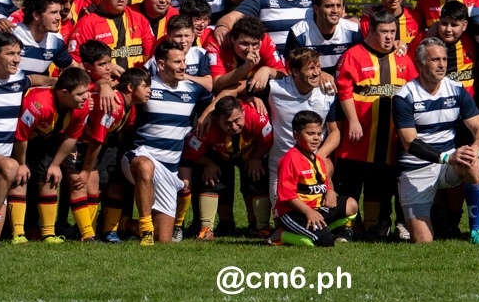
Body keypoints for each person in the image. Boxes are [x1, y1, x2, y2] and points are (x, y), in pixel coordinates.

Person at [393, 37, 479, 245]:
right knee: (423, 241)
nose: (442, 64)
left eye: (444, 59)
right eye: (435, 59)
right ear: (419, 64)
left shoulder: (456, 89)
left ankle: (476, 231)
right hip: (416, 170)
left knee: (473, 161)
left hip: (447, 166)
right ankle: (408, 220)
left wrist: (476, 148)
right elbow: (410, 143)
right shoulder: (404, 96)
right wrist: (448, 157)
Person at [334, 10, 418, 241]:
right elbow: (344, 90)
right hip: (358, 135)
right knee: (349, 185)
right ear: (370, 31)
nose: (389, 37)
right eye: (384, 32)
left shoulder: (402, 59)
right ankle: (347, 227)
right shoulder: (353, 55)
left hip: (389, 137)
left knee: (378, 185)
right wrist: (352, 120)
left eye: (393, 32)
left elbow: (413, 92)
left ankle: (373, 228)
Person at [0, 33, 54, 246]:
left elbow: (38, 80)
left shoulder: (19, 78)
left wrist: (61, 82)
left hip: (5, 167)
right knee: (10, 164)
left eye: (18, 54)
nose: (17, 59)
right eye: (10, 53)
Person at [123, 41, 213, 245]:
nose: (183, 66)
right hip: (138, 158)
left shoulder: (192, 89)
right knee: (146, 165)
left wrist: (208, 111)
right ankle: (145, 228)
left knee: (164, 241)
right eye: (177, 62)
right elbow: (120, 91)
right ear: (161, 65)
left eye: (184, 61)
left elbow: (220, 93)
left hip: (170, 170)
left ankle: (125, 224)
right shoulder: (147, 86)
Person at [9, 68, 92, 243]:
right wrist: (21, 164)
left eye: (87, 91)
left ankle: (48, 233)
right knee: (20, 178)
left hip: (43, 140)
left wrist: (55, 165)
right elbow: (20, 136)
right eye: (80, 94)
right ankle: (17, 234)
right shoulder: (39, 105)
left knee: (50, 177)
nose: (86, 98)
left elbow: (72, 136)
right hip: (17, 141)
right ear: (63, 93)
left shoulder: (81, 107)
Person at [76, 53, 150, 243]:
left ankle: (109, 230)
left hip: (104, 146)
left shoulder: (130, 109)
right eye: (145, 86)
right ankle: (87, 232)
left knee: (115, 184)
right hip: (80, 143)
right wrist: (86, 169)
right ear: (131, 87)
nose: (149, 91)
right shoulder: (114, 106)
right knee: (92, 185)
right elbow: (96, 140)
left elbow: (123, 131)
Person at [181, 96, 272, 241]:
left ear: (242, 111)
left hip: (251, 154)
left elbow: (268, 140)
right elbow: (190, 151)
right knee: (210, 179)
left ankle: (260, 227)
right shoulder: (207, 127)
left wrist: (256, 158)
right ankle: (206, 229)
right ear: (217, 120)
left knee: (257, 177)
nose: (234, 127)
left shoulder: (256, 116)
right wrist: (208, 164)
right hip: (217, 157)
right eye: (227, 123)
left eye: (237, 120)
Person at [273, 111, 358, 247]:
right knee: (324, 242)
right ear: (296, 135)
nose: (316, 138)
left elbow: (324, 182)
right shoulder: (290, 159)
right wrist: (309, 212)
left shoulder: (317, 158)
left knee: (351, 205)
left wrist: (330, 191)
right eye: (310, 134)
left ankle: (322, 229)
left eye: (319, 134)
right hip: (293, 213)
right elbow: (287, 196)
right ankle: (282, 235)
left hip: (316, 208)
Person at [68, 0, 155, 76]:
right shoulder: (86, 24)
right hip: (103, 89)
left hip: (139, 87)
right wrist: (103, 76)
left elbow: (151, 57)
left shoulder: (140, 19)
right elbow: (74, 66)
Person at [285, 0, 362, 80]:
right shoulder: (298, 33)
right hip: (310, 88)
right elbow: (291, 72)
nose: (335, 11)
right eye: (329, 6)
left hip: (344, 87)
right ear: (316, 9)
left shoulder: (353, 30)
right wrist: (319, 75)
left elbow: (361, 64)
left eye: (338, 6)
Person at [207, 16, 286, 96]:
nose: (250, 50)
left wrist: (267, 71)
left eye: (255, 44)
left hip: (251, 94)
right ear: (233, 38)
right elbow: (217, 86)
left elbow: (284, 76)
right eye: (245, 43)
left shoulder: (265, 41)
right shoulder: (217, 43)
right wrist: (246, 66)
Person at [12, 0, 74, 77]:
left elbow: (74, 71)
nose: (59, 17)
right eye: (53, 13)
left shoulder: (56, 40)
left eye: (59, 12)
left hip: (37, 90)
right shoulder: (11, 35)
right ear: (36, 15)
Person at [145, 15, 213, 92]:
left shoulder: (200, 54)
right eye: (178, 36)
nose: (183, 40)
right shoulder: (156, 61)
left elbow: (209, 85)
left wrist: (184, 77)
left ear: (193, 37)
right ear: (168, 38)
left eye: (187, 36)